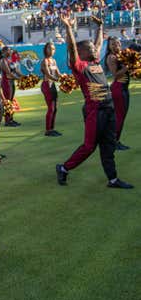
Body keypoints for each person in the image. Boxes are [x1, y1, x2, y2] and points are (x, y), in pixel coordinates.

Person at [55, 13, 133, 189]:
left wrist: (100, 27)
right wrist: (68, 27)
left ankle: (112, 179)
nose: (93, 49)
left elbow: (98, 43)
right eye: (89, 48)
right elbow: (71, 47)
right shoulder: (79, 66)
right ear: (81, 52)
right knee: (89, 146)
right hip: (95, 111)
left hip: (109, 108)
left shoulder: (96, 61)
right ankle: (63, 168)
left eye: (93, 47)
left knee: (108, 145)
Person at [105, 37, 130, 150]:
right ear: (109, 46)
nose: (116, 45)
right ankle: (114, 142)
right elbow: (115, 74)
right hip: (118, 89)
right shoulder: (111, 57)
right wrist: (128, 66)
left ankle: (116, 141)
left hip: (124, 88)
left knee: (122, 116)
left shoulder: (122, 55)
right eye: (113, 44)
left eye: (118, 43)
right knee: (119, 117)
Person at [40, 42, 62, 137]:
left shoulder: (53, 61)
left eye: (53, 49)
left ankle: (52, 129)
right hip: (46, 85)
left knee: (55, 108)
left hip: (52, 85)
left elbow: (58, 73)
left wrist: (65, 79)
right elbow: (48, 75)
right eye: (49, 48)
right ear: (46, 50)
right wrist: (58, 79)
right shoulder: (45, 61)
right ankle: (48, 130)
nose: (52, 51)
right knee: (51, 108)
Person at [0, 47, 21, 127]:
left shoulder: (10, 60)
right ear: (4, 52)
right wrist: (18, 78)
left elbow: (15, 71)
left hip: (11, 82)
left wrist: (23, 77)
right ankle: (7, 121)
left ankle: (11, 119)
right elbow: (8, 73)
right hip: (6, 82)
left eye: (10, 50)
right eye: (8, 50)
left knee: (11, 101)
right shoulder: (3, 61)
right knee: (8, 101)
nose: (10, 51)